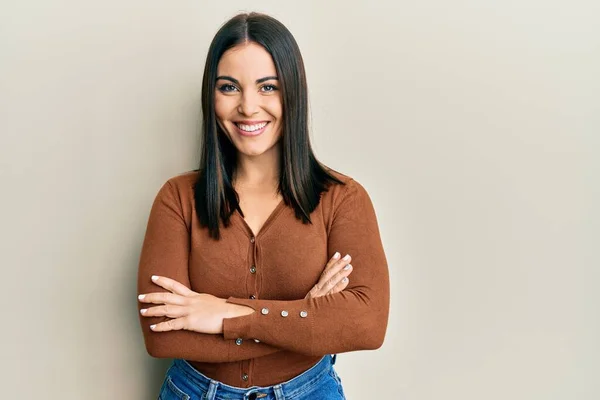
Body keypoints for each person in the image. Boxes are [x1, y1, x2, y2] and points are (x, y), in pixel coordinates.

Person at [137, 12, 390, 400]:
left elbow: (367, 325)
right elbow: (162, 338)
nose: (248, 107)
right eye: (229, 87)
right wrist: (308, 319)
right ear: (212, 95)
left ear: (293, 91)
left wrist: (222, 313)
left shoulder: (344, 199)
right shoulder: (177, 198)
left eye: (267, 87)